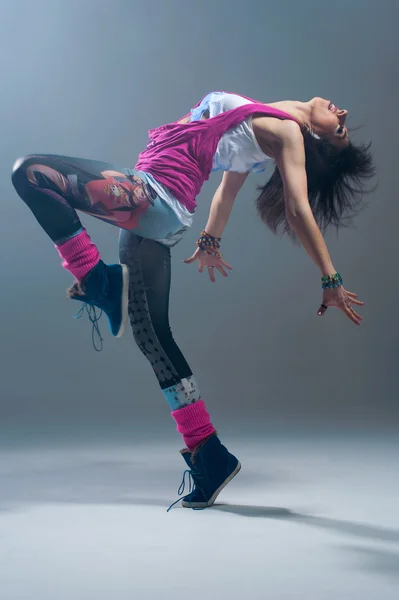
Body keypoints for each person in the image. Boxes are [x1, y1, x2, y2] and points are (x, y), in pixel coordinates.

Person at [11, 91, 374, 510]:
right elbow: (226, 191)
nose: (342, 112)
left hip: (152, 196)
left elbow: (297, 208)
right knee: (152, 336)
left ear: (316, 142)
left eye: (341, 129)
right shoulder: (261, 127)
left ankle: (96, 281)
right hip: (159, 208)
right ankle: (209, 454)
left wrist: (330, 277)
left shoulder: (289, 132)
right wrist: (209, 241)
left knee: (31, 173)